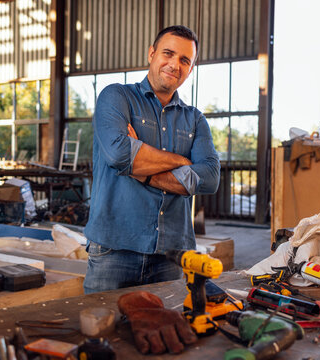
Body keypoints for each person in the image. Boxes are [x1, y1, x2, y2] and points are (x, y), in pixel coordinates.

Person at [83, 25, 220, 294]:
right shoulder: (116, 97)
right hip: (114, 250)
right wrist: (182, 161)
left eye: (184, 60)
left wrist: (141, 167)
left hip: (171, 255)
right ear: (151, 53)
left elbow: (211, 177)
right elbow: (119, 154)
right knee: (105, 332)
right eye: (168, 53)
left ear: (191, 68)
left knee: (166, 332)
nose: (174, 64)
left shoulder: (195, 119)